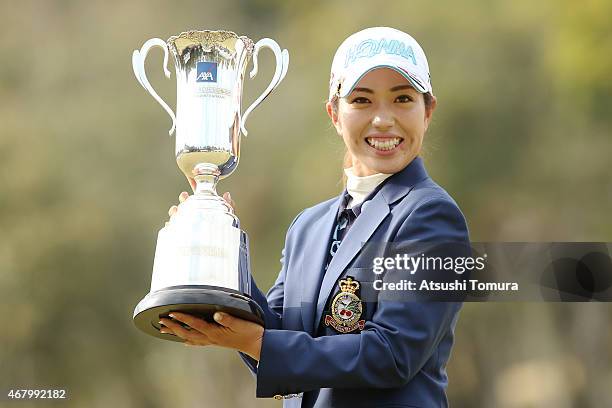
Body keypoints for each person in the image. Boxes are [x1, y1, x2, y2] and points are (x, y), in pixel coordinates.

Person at [160, 27, 470, 408]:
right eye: (362, 100)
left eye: (402, 98)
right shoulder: (307, 227)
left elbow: (393, 354)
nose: (383, 119)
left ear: (427, 112)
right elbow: (280, 341)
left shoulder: (432, 215)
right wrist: (221, 248)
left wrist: (256, 342)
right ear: (335, 114)